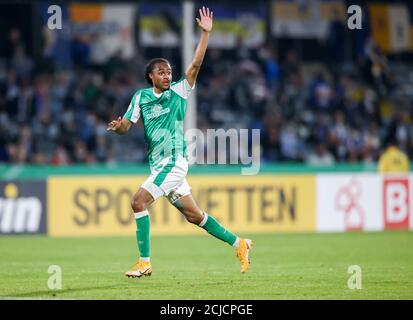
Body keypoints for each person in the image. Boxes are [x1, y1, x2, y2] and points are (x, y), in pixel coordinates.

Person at [107, 7, 252, 278]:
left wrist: (205, 34)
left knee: (138, 202)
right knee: (195, 216)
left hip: (174, 161)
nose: (167, 75)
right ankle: (240, 243)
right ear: (150, 76)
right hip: (158, 164)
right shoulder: (140, 97)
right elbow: (127, 126)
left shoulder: (178, 92)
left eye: (169, 71)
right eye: (161, 72)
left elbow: (195, 65)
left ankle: (144, 262)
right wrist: (118, 128)